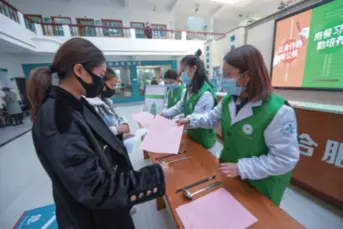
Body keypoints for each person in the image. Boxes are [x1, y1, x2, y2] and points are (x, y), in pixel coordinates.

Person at [27, 38, 166, 229]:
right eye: (100, 75)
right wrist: (157, 175)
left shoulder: (75, 103)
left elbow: (89, 142)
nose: (101, 83)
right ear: (79, 71)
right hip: (93, 220)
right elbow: (94, 188)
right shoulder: (60, 119)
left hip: (107, 211)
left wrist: (116, 139)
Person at [177, 45, 300, 206]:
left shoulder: (279, 111)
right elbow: (212, 118)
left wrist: (242, 168)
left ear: (247, 76)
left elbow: (285, 159)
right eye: (223, 74)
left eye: (228, 75)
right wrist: (191, 120)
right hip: (230, 172)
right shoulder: (230, 99)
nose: (223, 79)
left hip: (261, 183)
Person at [162, 49, 218, 152]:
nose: (180, 74)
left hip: (204, 140)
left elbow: (198, 118)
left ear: (193, 69)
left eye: (183, 71)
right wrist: (164, 114)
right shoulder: (188, 89)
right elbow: (180, 106)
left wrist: (176, 123)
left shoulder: (206, 94)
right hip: (192, 135)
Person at [85, 67, 133, 139]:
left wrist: (124, 124)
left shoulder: (107, 101)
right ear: (101, 84)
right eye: (112, 85)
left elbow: (117, 118)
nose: (113, 89)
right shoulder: (89, 104)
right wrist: (117, 130)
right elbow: (95, 132)